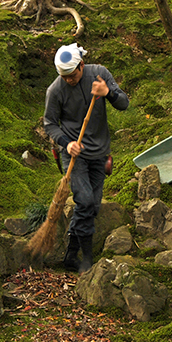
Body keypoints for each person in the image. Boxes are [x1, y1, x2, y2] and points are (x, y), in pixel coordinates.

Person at [43, 43, 129, 273]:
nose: (69, 80)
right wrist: (66, 143)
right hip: (74, 156)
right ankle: (87, 259)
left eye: (72, 75)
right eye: (64, 77)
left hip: (99, 153)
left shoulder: (99, 75)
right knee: (85, 200)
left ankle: (71, 253)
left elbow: (124, 103)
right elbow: (49, 123)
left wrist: (107, 93)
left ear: (81, 65)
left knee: (93, 205)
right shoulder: (55, 90)